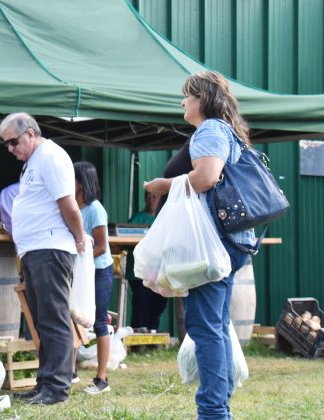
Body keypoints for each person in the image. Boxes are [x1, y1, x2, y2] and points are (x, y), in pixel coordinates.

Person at [143, 70, 255, 420]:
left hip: (215, 242)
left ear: (202, 100)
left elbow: (207, 177)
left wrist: (164, 185)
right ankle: (219, 408)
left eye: (187, 96)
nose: (182, 102)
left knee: (205, 328)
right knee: (216, 326)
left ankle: (213, 413)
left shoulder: (210, 129)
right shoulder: (228, 131)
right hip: (231, 241)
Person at [0, 112, 86, 405]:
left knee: (53, 319)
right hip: (36, 249)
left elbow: (68, 205)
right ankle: (45, 383)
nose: (10, 149)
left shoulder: (50, 156)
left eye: (13, 142)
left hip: (51, 247)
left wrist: (79, 237)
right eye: (6, 145)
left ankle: (57, 388)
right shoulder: (33, 162)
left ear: (31, 133)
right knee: (42, 320)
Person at [73, 161, 113, 395]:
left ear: (81, 182)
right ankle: (71, 372)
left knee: (98, 321)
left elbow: (101, 246)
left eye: (73, 177)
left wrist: (81, 259)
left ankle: (101, 379)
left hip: (98, 271)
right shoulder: (72, 207)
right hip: (81, 271)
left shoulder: (95, 209)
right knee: (74, 318)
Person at [127, 191, 168, 332]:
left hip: (160, 272)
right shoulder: (137, 219)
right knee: (141, 304)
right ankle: (137, 339)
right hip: (140, 274)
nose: (150, 199)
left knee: (158, 305)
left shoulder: (165, 218)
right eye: (147, 196)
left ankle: (153, 338)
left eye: (154, 196)